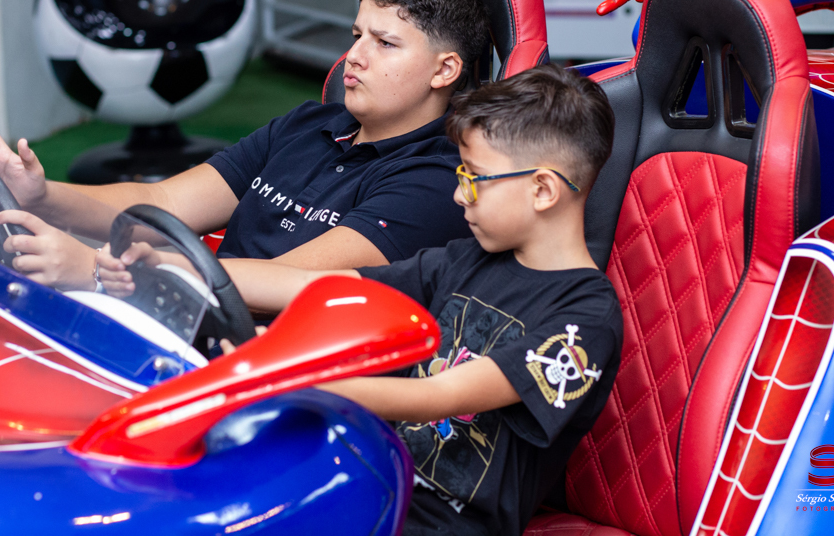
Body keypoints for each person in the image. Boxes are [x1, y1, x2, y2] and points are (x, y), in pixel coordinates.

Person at [158, 64, 623, 536]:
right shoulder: (465, 260)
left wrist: (285, 380)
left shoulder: (585, 317)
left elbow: (437, 396)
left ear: (542, 189)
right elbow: (311, 285)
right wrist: (180, 267)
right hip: (373, 479)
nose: (459, 195)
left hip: (442, 522)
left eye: (475, 179)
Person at [0, 0, 490, 288]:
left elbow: (293, 282)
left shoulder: (439, 176)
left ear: (445, 70)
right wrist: (39, 195)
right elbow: (159, 204)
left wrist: (101, 271)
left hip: (282, 372)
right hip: (192, 323)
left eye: (385, 43)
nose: (354, 56)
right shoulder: (309, 124)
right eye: (356, 35)